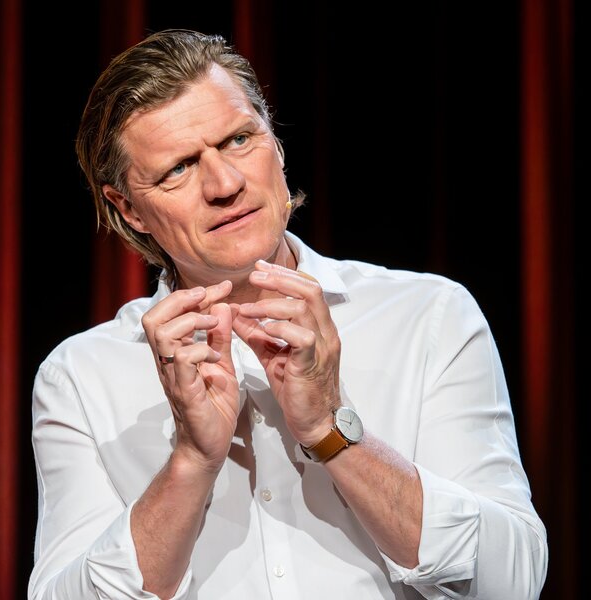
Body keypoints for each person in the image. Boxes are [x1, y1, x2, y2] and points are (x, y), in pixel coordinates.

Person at [27, 28, 548, 600]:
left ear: (275, 143)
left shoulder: (429, 317)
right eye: (178, 168)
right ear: (128, 209)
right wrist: (191, 462)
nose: (225, 184)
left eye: (238, 139)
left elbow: (511, 582)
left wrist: (331, 430)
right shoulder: (80, 377)